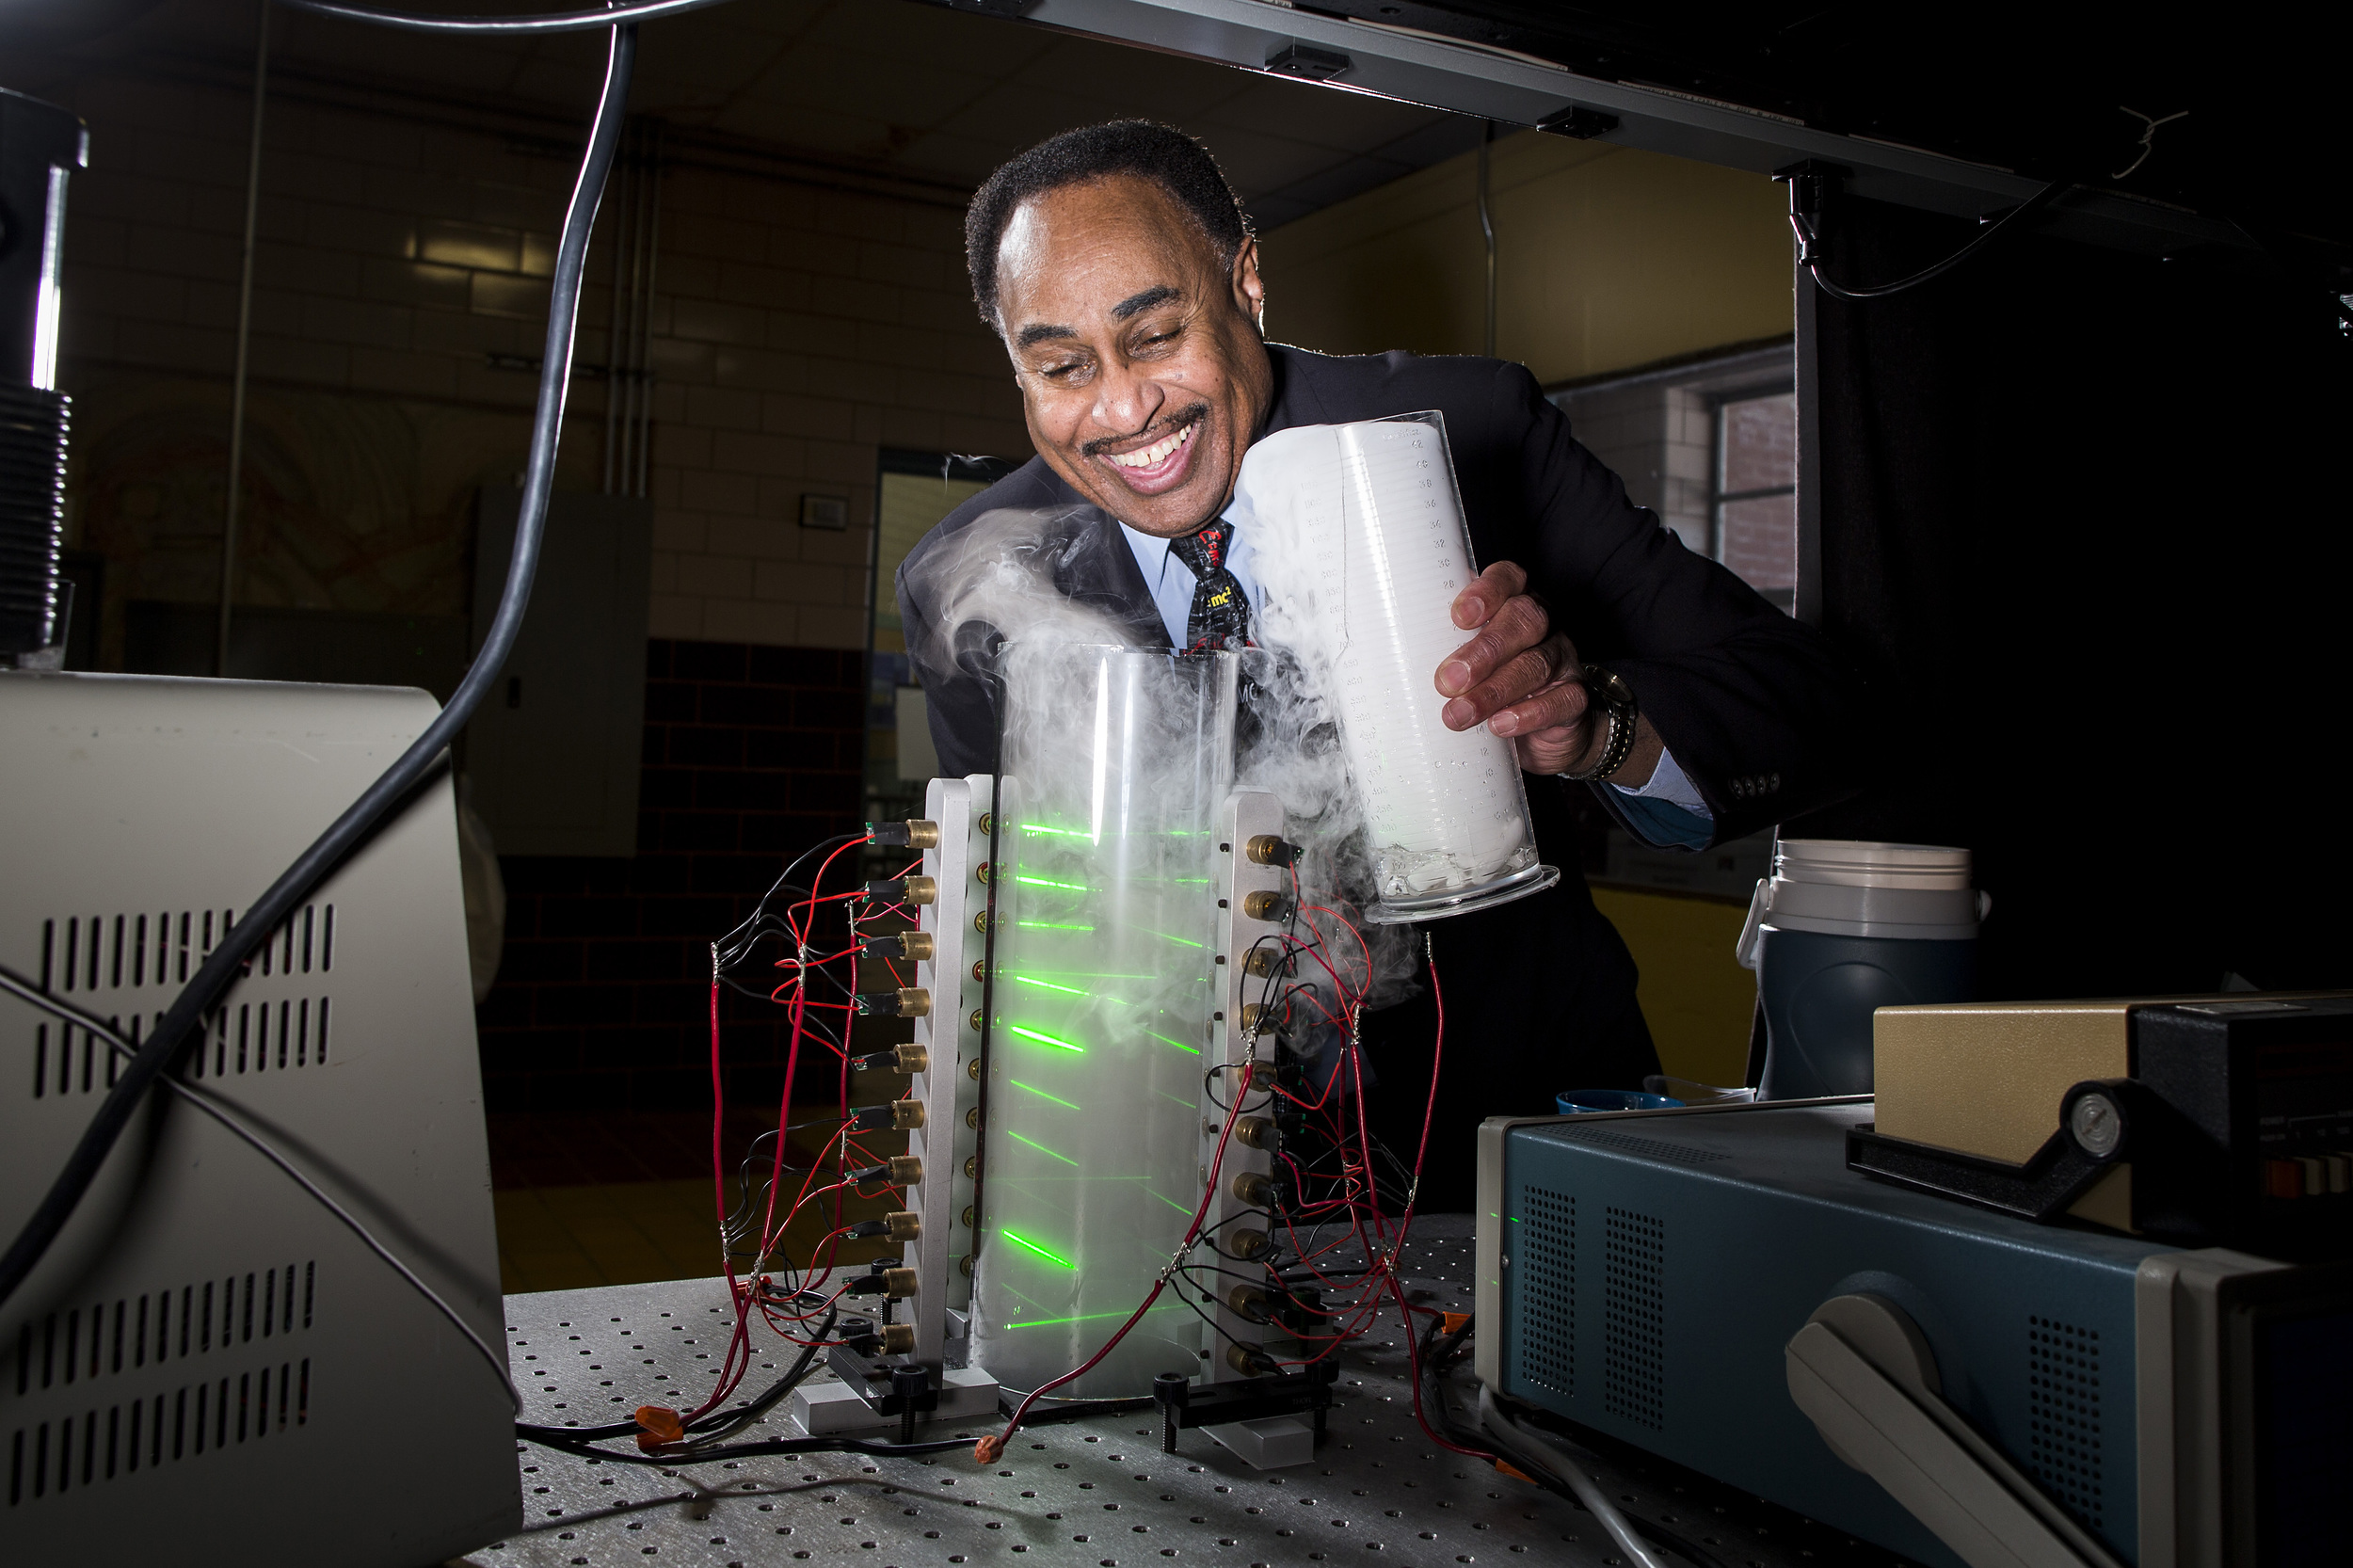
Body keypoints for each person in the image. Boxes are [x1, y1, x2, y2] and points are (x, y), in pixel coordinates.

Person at [898, 121, 1862, 1208]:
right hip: (1173, 1182)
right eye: (1062, 366)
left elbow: (1815, 705)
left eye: (1157, 334)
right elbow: (1027, 928)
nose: (1123, 409)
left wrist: (1592, 724)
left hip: (1508, 1124)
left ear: (1245, 280)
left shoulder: (1469, 429)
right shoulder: (970, 581)